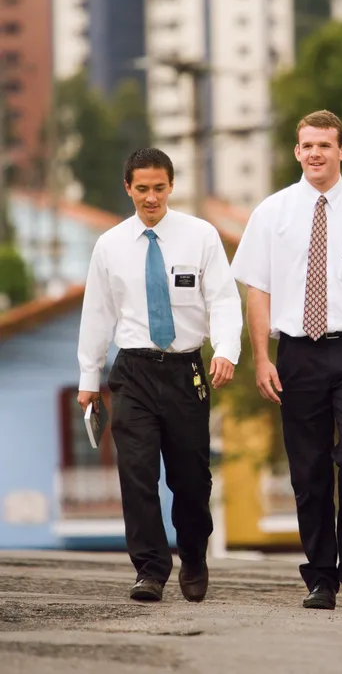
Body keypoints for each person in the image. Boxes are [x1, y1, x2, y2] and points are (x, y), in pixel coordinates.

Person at [231, 110, 342, 611]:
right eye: (307, 145)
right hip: (297, 355)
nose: (315, 153)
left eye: (325, 145)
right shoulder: (272, 212)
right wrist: (262, 359)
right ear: (296, 152)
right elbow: (257, 290)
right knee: (308, 470)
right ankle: (320, 577)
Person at [77, 147, 242, 603]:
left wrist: (226, 350)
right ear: (128, 188)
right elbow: (97, 314)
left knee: (190, 478)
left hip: (185, 371)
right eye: (142, 189)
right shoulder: (109, 245)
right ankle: (150, 568)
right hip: (132, 372)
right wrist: (89, 378)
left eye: (159, 188)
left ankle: (193, 554)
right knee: (136, 472)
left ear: (172, 186)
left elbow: (225, 299)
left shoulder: (201, 236)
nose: (151, 198)